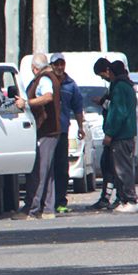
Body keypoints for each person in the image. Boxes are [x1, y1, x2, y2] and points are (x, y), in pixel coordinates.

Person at [23, 52, 62, 219]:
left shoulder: (44, 79)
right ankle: (47, 209)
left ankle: (33, 209)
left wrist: (26, 103)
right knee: (47, 172)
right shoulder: (50, 77)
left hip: (47, 130)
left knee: (39, 171)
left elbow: (47, 97)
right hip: (51, 131)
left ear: (34, 68)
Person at [102, 60, 138, 213]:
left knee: (122, 169)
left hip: (121, 135)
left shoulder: (119, 87)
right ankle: (124, 199)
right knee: (122, 168)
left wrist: (109, 133)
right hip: (127, 134)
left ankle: (130, 200)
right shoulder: (127, 86)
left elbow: (118, 112)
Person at [50, 53, 86, 213]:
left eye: (61, 64)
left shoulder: (71, 85)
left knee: (62, 168)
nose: (59, 67)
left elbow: (78, 107)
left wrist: (80, 127)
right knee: (46, 168)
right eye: (56, 64)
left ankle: (60, 202)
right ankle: (46, 203)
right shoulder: (46, 81)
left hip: (62, 132)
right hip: (47, 132)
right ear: (51, 65)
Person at [89, 57, 119, 210]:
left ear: (107, 70)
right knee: (106, 165)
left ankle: (120, 197)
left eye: (102, 75)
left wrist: (110, 134)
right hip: (111, 132)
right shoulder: (113, 85)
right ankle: (106, 197)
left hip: (116, 135)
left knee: (115, 168)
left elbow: (115, 109)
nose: (103, 78)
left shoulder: (118, 86)